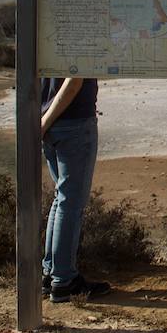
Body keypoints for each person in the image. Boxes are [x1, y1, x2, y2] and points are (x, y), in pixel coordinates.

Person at [41, 76, 111, 303]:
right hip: (74, 123)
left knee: (61, 199)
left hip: (50, 122)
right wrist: (44, 123)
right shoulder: (78, 40)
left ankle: (50, 273)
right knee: (70, 203)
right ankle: (63, 281)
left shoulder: (47, 39)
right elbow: (74, 81)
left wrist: (44, 122)